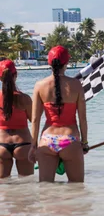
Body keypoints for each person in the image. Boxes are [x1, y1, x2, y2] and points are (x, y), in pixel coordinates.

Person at [29, 46, 89, 182]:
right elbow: (83, 119)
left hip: (47, 140)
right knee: (77, 189)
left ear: (49, 63)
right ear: (66, 63)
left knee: (45, 190)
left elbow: (35, 119)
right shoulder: (76, 85)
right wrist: (84, 142)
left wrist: (33, 146)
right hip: (70, 139)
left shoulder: (40, 85)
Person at [0, 59, 34, 178]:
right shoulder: (25, 98)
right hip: (23, 143)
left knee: (3, 186)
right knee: (27, 185)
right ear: (16, 75)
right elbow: (33, 120)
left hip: (2, 144)